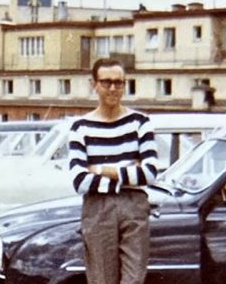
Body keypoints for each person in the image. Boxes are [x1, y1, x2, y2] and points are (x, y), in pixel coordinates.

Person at [68, 58, 158, 284]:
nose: (113, 88)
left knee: (134, 278)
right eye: (106, 82)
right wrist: (127, 175)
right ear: (95, 85)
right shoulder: (81, 127)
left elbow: (150, 173)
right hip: (98, 207)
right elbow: (79, 180)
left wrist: (100, 169)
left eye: (119, 83)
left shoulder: (140, 122)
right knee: (101, 279)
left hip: (134, 205)